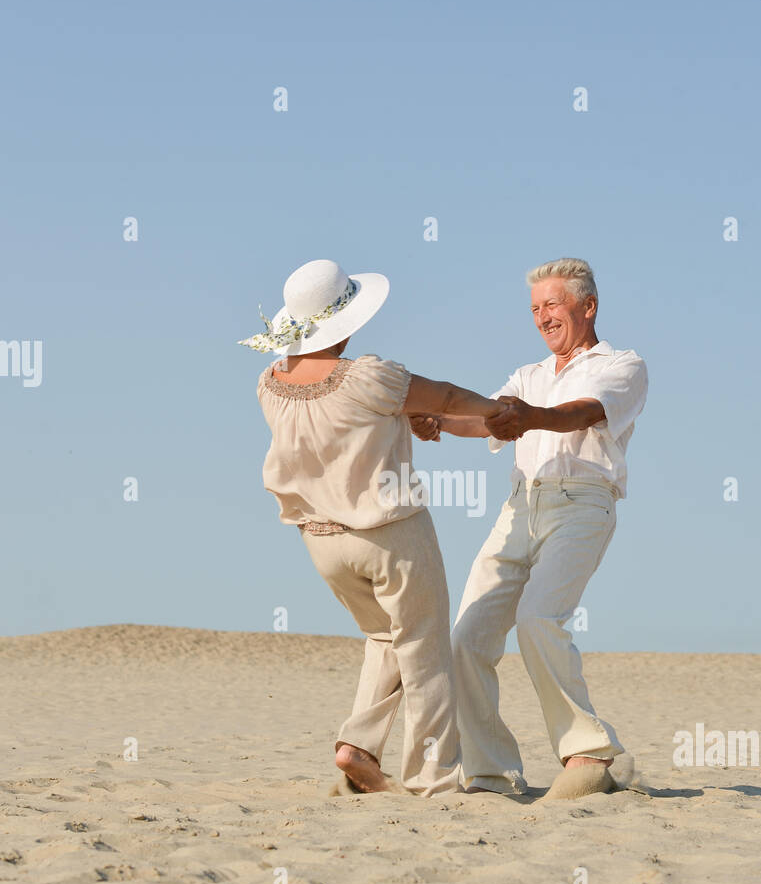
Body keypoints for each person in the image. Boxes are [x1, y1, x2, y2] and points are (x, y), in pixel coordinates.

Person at [239, 257, 514, 797]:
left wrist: (400, 417)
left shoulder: (268, 385)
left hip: (322, 544)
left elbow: (339, 432)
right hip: (389, 535)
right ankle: (433, 777)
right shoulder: (368, 375)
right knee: (424, 649)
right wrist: (501, 411)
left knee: (383, 637)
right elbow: (449, 398)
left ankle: (358, 748)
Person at [412, 258, 647, 800]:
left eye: (553, 305)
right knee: (467, 636)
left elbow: (583, 413)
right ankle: (491, 772)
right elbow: (494, 418)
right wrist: (440, 422)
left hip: (583, 504)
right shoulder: (528, 376)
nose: (543, 317)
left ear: (587, 306)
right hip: (519, 507)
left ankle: (587, 750)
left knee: (538, 618)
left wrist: (527, 417)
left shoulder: (624, 365)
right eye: (535, 308)